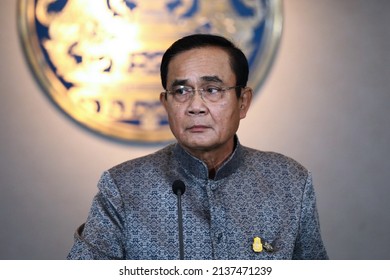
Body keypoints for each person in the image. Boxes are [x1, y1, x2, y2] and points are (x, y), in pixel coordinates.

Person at [67, 34, 328, 260]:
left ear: (243, 102)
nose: (195, 106)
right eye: (181, 91)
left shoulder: (289, 182)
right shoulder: (124, 187)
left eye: (212, 89)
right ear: (166, 103)